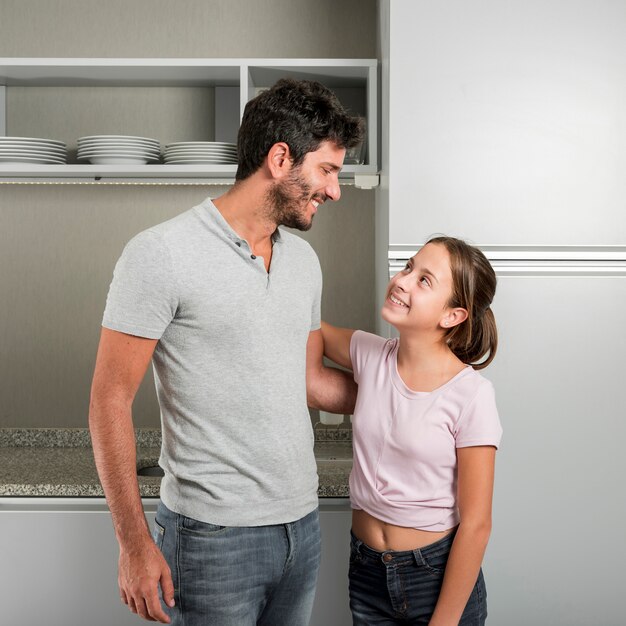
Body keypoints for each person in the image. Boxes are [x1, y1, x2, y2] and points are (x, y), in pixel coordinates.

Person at [88, 78, 364, 626]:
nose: (335, 190)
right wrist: (134, 543)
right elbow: (108, 401)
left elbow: (310, 380)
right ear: (280, 158)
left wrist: (412, 387)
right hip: (211, 538)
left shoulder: (303, 262)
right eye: (328, 170)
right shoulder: (161, 254)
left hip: (302, 528)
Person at [321, 236, 503, 625]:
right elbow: (309, 330)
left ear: (453, 315)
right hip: (366, 570)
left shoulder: (471, 395)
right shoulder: (371, 355)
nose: (402, 280)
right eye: (408, 267)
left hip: (435, 576)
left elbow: (476, 524)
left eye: (424, 280)